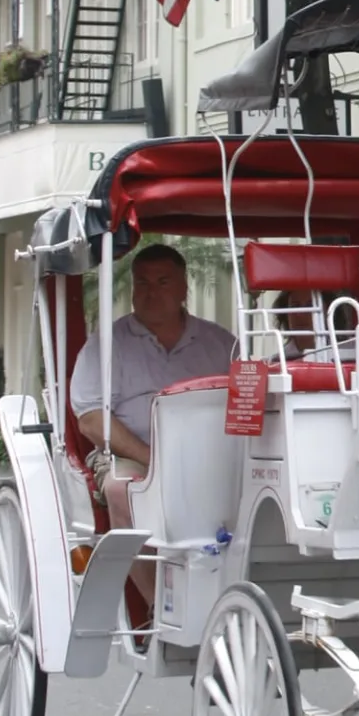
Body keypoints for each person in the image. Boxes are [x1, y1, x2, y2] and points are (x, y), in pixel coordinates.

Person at [68, 244, 237, 605]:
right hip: (132, 456)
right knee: (119, 488)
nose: (151, 292)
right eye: (142, 283)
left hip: (209, 455)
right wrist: (152, 457)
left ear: (183, 289)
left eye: (163, 282)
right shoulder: (106, 345)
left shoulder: (219, 343)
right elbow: (92, 420)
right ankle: (157, 604)